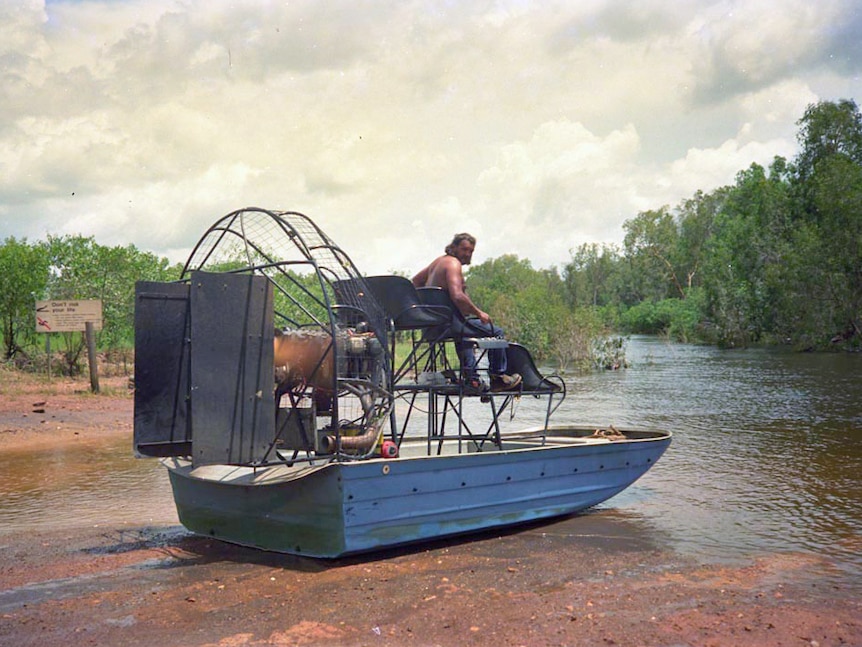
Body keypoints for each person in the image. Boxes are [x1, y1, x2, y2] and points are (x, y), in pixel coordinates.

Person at [412, 233, 521, 392]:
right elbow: (457, 296)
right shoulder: (453, 264)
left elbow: (415, 282)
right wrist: (479, 313)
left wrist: (428, 303)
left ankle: (472, 379)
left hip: (433, 326)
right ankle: (498, 377)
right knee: (496, 332)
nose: (468, 254)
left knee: (464, 333)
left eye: (471, 251)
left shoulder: (438, 262)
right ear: (454, 247)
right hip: (449, 324)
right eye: (464, 249)